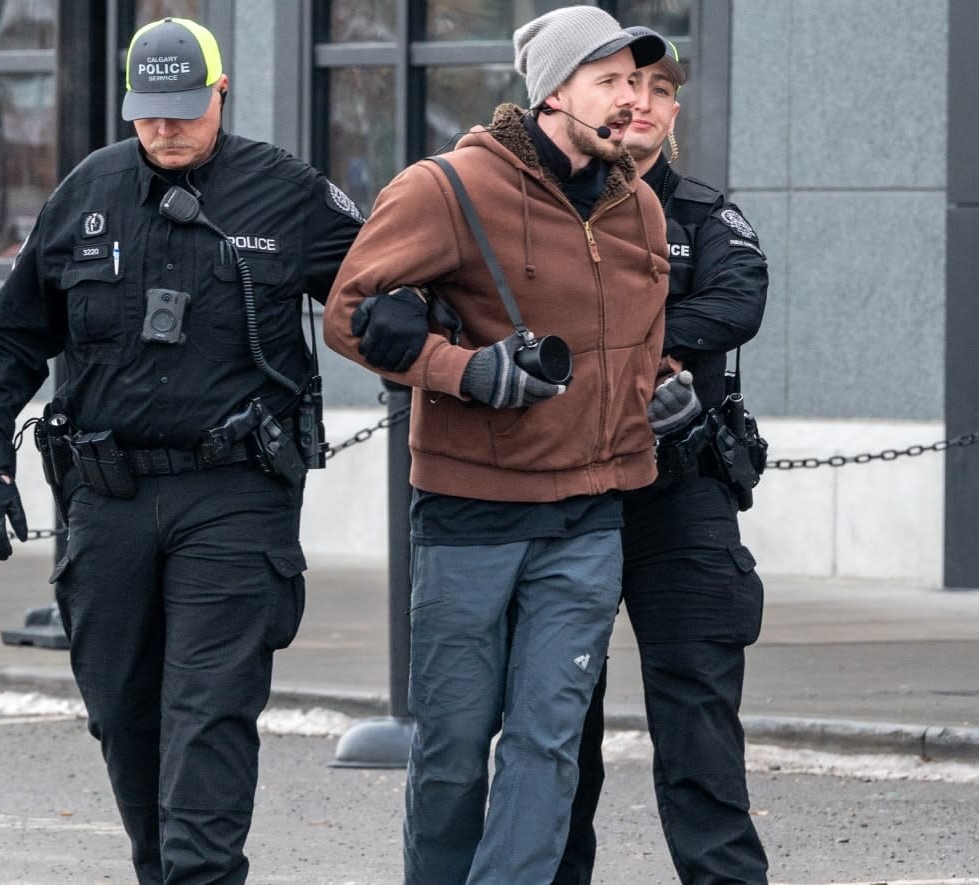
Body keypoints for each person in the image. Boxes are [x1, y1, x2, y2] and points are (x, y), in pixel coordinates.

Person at [0, 16, 363, 884]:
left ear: (222, 95)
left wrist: (411, 320)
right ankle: (164, 868)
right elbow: (10, 339)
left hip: (234, 494)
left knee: (208, 710)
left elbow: (380, 283)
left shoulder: (286, 192)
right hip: (105, 499)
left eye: (184, 109)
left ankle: (199, 875)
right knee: (122, 709)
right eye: (149, 111)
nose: (165, 128)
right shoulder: (87, 192)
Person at [323, 8, 692, 884]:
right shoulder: (445, 189)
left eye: (640, 84)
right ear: (554, 92)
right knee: (452, 751)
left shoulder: (636, 204)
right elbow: (349, 316)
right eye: (610, 82)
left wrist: (665, 387)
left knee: (548, 742)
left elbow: (634, 342)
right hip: (470, 520)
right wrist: (467, 372)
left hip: (591, 519)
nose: (633, 102)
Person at [554, 27, 771, 885]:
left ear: (673, 113)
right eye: (622, 84)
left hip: (680, 497)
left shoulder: (708, 215)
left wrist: (621, 347)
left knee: (700, 730)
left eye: (658, 89)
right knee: (557, 724)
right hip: (565, 493)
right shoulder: (547, 209)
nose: (638, 100)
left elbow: (738, 303)